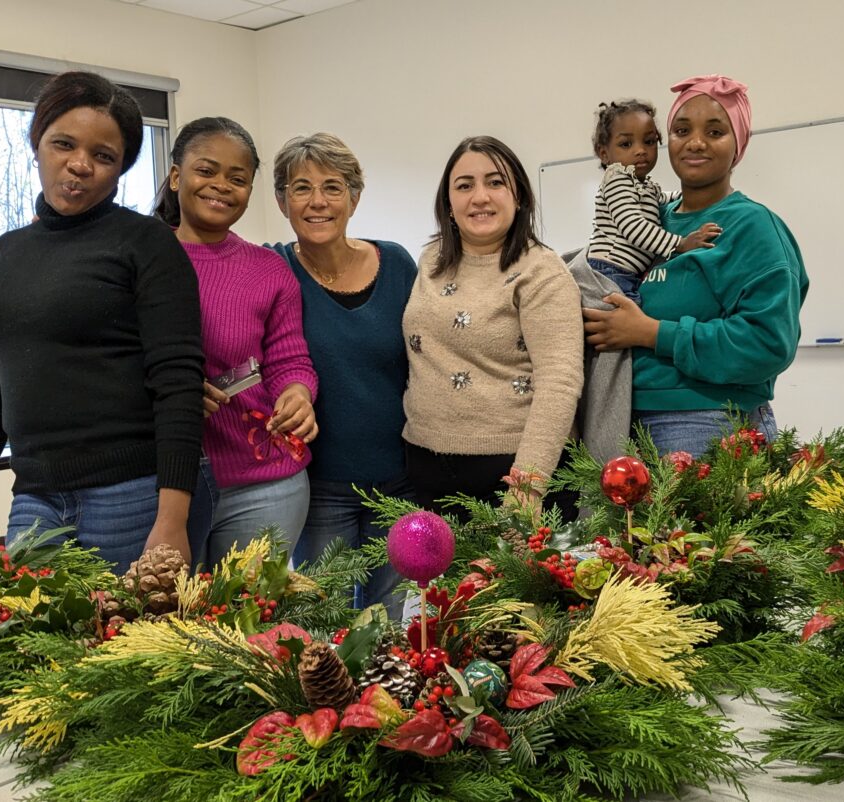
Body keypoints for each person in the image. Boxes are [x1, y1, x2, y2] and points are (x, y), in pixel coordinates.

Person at [0, 71, 205, 572]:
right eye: (64, 144)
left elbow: (178, 384)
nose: (79, 165)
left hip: (131, 497)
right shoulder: (3, 255)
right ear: (37, 143)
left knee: (121, 646)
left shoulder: (147, 244)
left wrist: (172, 519)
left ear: (121, 169)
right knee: (34, 645)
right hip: (35, 496)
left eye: (103, 156)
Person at [583, 75, 809, 458]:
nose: (696, 142)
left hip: (705, 421)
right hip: (619, 421)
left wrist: (652, 333)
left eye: (716, 131)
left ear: (738, 144)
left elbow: (768, 344)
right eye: (681, 130)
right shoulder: (653, 216)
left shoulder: (751, 226)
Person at [154, 117, 318, 569]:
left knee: (254, 628)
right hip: (163, 484)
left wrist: (298, 394)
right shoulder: (140, 258)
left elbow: (289, 359)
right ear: (175, 176)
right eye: (206, 171)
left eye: (238, 179)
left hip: (265, 482)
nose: (221, 186)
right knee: (166, 627)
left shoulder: (268, 268)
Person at [270, 133, 416, 617]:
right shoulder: (273, 269)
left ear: (354, 197)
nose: (317, 202)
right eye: (301, 188)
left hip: (401, 483)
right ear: (281, 200)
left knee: (395, 629)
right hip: (319, 491)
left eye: (332, 187)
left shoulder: (395, 263)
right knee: (321, 630)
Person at [402, 135, 583, 514]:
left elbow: (560, 382)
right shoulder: (431, 260)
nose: (479, 196)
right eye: (464, 185)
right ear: (448, 203)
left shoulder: (541, 271)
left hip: (513, 472)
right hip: (425, 465)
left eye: (495, 182)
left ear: (518, 197)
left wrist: (528, 487)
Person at [588, 99, 721, 304]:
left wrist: (698, 192)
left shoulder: (645, 186)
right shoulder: (617, 180)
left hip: (626, 274)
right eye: (626, 144)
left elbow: (665, 198)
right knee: (625, 330)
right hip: (608, 272)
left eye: (649, 142)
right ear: (604, 154)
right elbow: (632, 226)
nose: (640, 150)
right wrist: (680, 243)